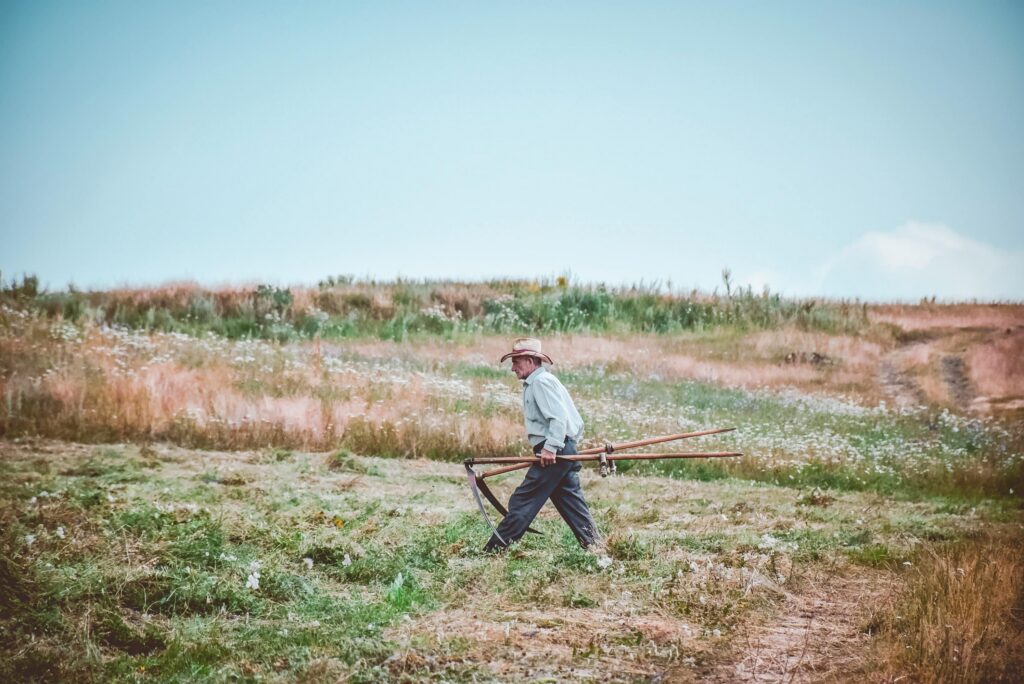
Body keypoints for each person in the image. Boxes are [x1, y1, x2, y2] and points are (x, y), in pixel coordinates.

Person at [484, 338, 600, 551]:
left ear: (529, 361)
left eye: (516, 362)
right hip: (560, 448)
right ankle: (597, 548)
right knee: (572, 504)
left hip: (553, 451)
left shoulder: (541, 382)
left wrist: (551, 448)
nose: (512, 368)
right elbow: (572, 420)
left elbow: (559, 419)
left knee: (523, 500)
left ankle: (494, 550)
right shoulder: (540, 381)